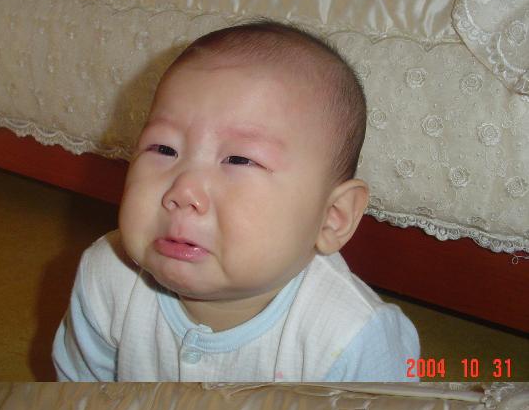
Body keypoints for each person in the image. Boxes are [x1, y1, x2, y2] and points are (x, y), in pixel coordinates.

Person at [53, 20, 419, 381]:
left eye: (239, 159)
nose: (183, 191)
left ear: (332, 217)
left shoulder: (354, 339)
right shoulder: (106, 276)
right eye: (164, 149)